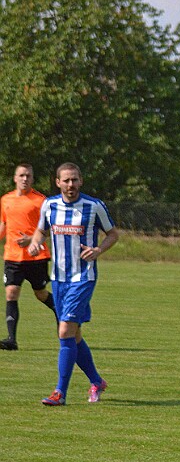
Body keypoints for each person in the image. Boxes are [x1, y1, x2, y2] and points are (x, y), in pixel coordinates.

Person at [28, 163, 119, 406]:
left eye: (75, 180)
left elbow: (113, 234)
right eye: (66, 180)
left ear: (81, 181)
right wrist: (35, 243)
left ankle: (60, 393)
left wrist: (98, 249)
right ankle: (97, 381)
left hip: (83, 278)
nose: (71, 185)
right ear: (57, 182)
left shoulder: (94, 206)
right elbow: (41, 231)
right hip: (58, 279)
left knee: (65, 331)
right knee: (74, 335)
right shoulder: (49, 205)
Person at [0, 164, 57, 350]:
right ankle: (11, 340)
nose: (25, 178)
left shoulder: (41, 201)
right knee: (11, 293)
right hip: (12, 257)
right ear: (15, 178)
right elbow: (3, 226)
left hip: (36, 256)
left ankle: (61, 313)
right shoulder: (5, 199)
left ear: (32, 179)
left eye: (29, 176)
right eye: (22, 175)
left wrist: (32, 239)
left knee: (40, 294)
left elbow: (51, 228)